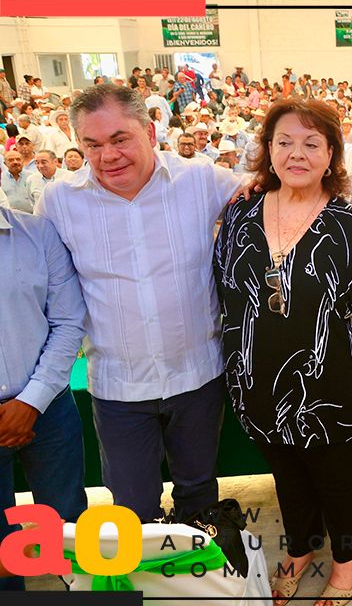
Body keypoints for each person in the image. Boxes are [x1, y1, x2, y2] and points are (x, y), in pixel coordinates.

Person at [215, 97, 352, 606]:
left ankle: (347, 560)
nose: (295, 153)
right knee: (288, 478)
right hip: (257, 386)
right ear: (268, 150)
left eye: (311, 143)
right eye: (284, 142)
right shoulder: (240, 215)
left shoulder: (351, 227)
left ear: (331, 156)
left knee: (337, 481)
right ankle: (301, 547)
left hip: (330, 391)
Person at [35, 83, 245, 522]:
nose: (107, 156)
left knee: (199, 496)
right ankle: (146, 590)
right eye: (91, 145)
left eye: (119, 139)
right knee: (132, 509)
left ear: (150, 132)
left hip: (198, 378)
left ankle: (194, 588)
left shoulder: (201, 178)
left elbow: (272, 192)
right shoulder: (58, 201)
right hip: (118, 388)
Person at [0, 201, 88, 592]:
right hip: (42, 404)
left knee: (70, 527)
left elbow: (68, 321)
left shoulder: (37, 233)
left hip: (48, 408)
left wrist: (30, 401)